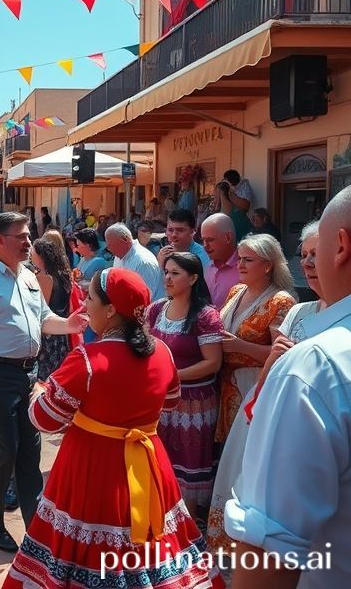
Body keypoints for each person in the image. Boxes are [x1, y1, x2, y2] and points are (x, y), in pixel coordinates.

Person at [3, 268, 221, 589]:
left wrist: (40, 391)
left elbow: (43, 419)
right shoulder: (162, 352)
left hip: (92, 467)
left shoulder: (88, 359)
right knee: (150, 538)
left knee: (88, 542)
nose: (85, 304)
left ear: (110, 310)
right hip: (148, 463)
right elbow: (171, 401)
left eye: (90, 297)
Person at [225, 189, 351, 588]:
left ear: (341, 246)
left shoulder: (316, 367)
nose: (309, 262)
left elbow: (270, 549)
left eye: (319, 250)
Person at [0, 212, 88, 552]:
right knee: (5, 448)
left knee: (31, 448)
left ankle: (35, 524)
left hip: (27, 374)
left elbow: (42, 319)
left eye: (27, 236)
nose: (28, 242)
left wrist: (70, 324)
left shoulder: (27, 275)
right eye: (21, 237)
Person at [207, 233, 295, 553]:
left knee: (245, 460)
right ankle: (224, 532)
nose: (240, 264)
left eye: (248, 259)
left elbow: (282, 352)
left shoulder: (280, 301)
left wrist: (238, 345)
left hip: (253, 384)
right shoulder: (237, 290)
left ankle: (242, 537)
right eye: (240, 258)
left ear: (268, 266)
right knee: (227, 457)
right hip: (225, 383)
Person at [147, 252, 223, 518]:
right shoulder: (156, 309)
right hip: (161, 401)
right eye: (166, 271)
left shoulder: (205, 315)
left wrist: (172, 376)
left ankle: (186, 529)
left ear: (192, 278)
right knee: (161, 461)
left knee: (188, 465)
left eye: (175, 273)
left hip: (193, 403)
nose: (167, 277)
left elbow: (212, 362)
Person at [31, 236, 80, 381]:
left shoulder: (44, 278)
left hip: (48, 336)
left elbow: (40, 309)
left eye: (33, 253)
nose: (30, 256)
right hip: (62, 335)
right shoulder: (64, 275)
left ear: (41, 256)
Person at [105, 222, 165, 301]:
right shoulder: (119, 256)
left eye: (110, 245)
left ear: (125, 239)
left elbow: (144, 299)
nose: (108, 249)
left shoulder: (143, 262)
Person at [200, 212, 240, 309]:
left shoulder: (246, 268)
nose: (205, 246)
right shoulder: (208, 267)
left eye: (210, 240)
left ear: (228, 237)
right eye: (203, 240)